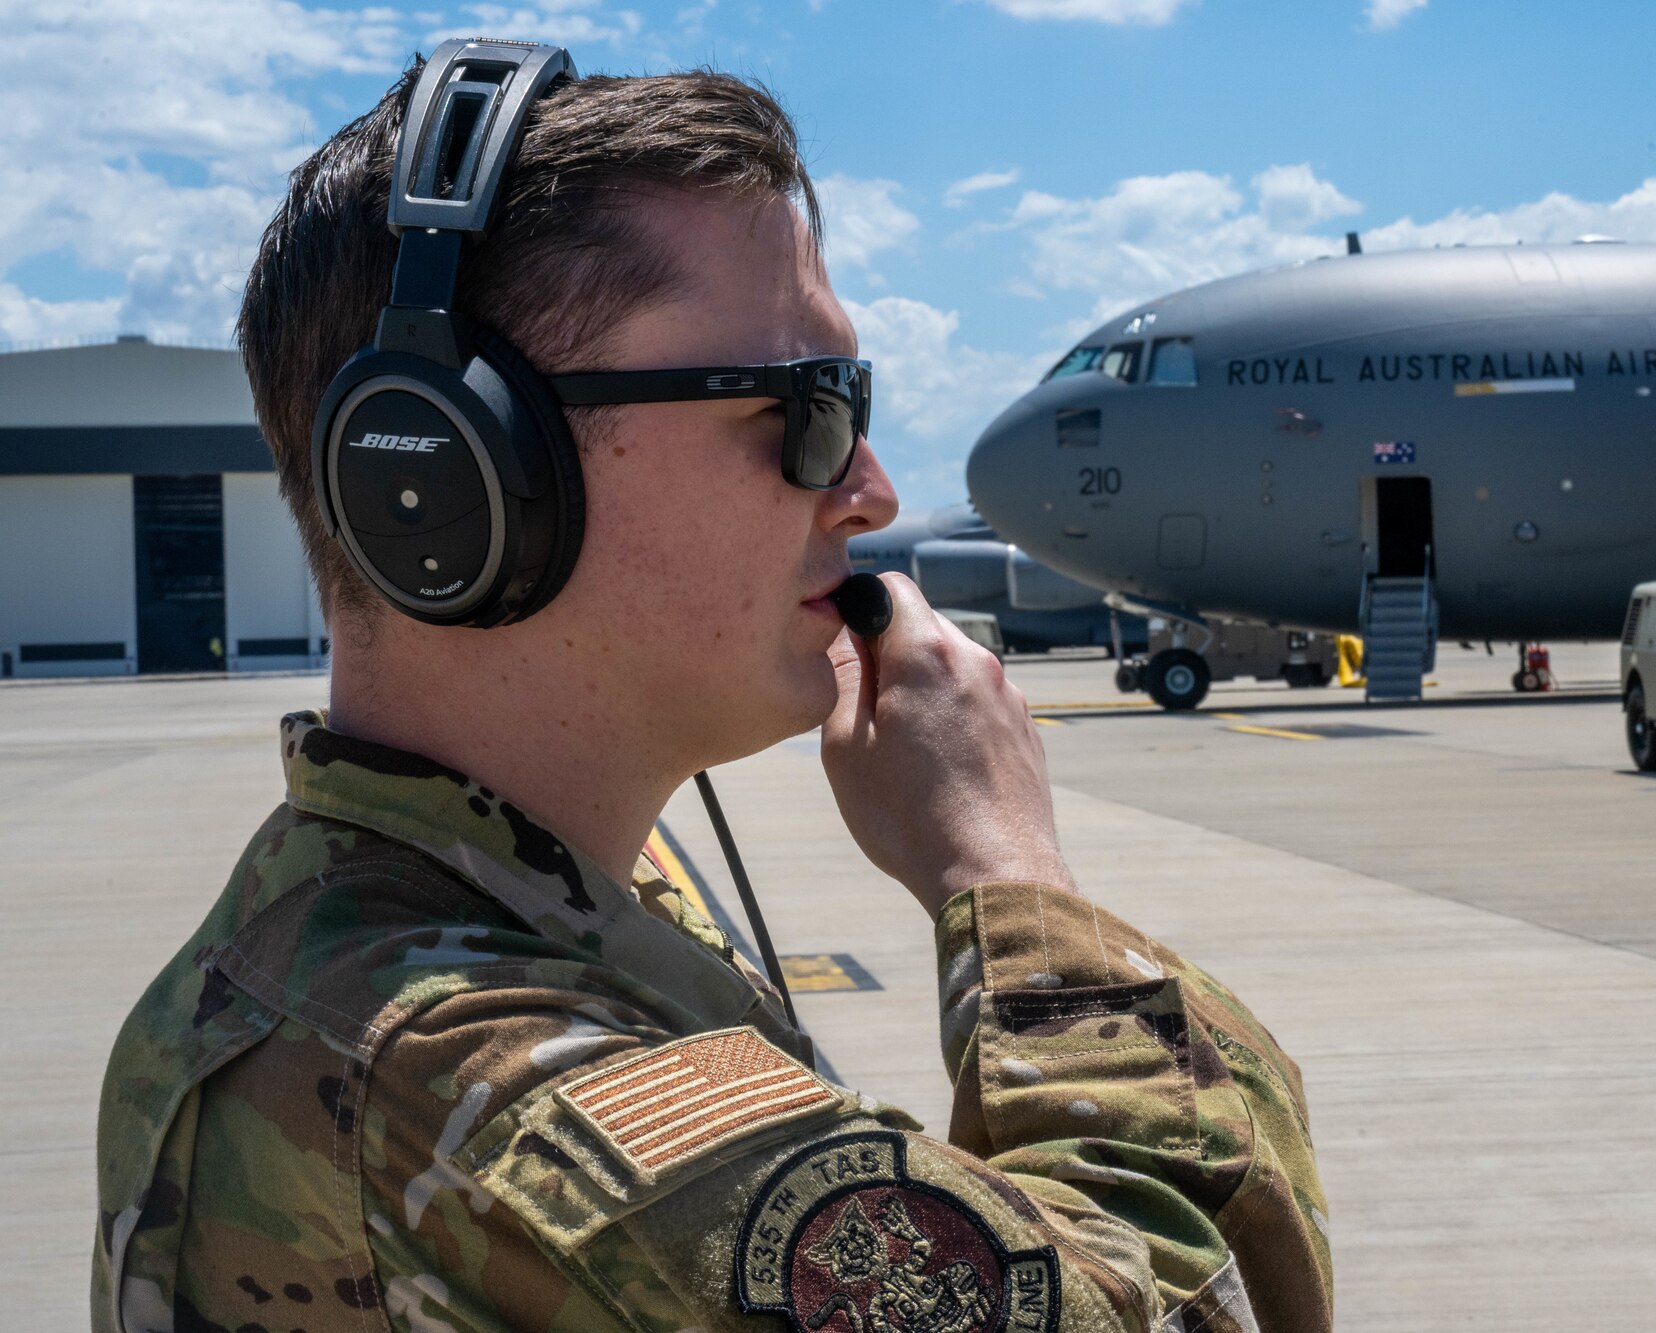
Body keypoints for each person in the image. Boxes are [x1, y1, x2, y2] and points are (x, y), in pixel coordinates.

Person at [92, 43, 1333, 1333]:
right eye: (803, 409)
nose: (871, 492)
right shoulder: (498, 1099)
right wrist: (1010, 887)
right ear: (455, 480)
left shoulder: (505, 907)